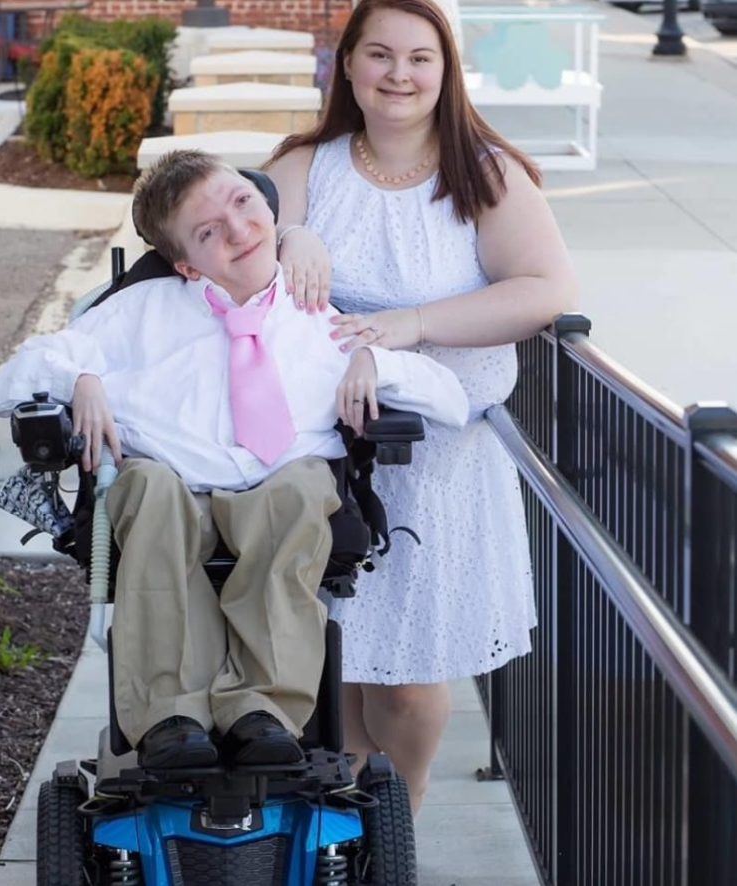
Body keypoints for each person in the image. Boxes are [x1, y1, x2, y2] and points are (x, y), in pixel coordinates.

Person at [0, 150, 470, 771]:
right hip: (171, 484)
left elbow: (451, 399)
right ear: (186, 265)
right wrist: (78, 377)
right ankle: (169, 714)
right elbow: (10, 380)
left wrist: (374, 362)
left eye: (243, 203)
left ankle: (261, 709)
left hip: (282, 484)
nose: (238, 230)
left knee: (300, 490)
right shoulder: (139, 311)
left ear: (266, 204)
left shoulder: (315, 317)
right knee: (148, 488)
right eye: (209, 231)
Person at [264, 0, 578, 813]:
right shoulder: (303, 166)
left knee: (405, 682)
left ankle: (401, 811)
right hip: (326, 457)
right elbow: (238, 264)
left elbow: (544, 289)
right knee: (342, 666)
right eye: (379, 54)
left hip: (438, 461)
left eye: (419, 58)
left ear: (446, 71)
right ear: (347, 64)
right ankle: (353, 836)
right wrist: (290, 236)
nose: (398, 74)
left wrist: (414, 324)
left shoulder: (484, 174)